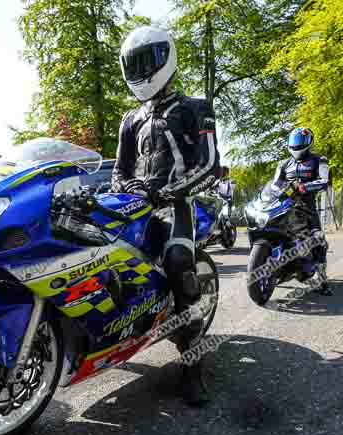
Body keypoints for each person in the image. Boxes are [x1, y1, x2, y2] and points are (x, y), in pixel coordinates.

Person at [111, 26, 221, 406]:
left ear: (166, 59)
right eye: (134, 64)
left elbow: (209, 165)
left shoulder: (196, 108)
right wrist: (128, 191)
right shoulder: (130, 119)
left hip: (178, 205)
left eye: (147, 62)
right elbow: (118, 171)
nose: (140, 71)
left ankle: (192, 368)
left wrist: (165, 192)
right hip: (135, 208)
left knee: (177, 263)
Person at [272, 127, 332, 295]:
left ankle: (322, 280)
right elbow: (274, 184)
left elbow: (324, 181)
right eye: (294, 143)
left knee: (318, 239)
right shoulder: (283, 163)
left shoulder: (319, 159)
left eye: (300, 143)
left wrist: (305, 186)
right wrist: (276, 193)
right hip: (284, 206)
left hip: (307, 207)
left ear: (309, 143)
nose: (297, 146)